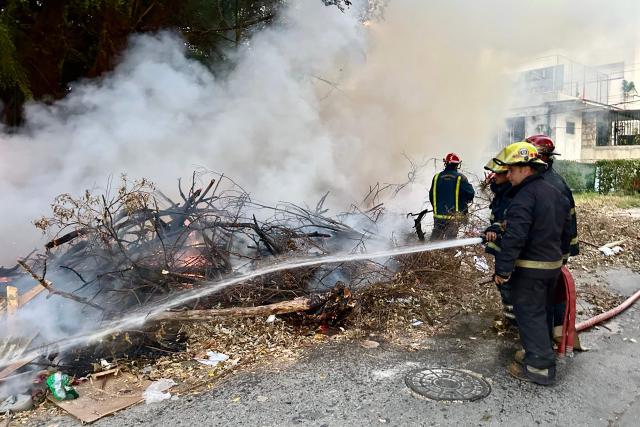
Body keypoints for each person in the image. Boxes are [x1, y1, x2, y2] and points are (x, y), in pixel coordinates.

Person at [492, 142, 571, 385]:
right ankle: (537, 351)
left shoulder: (524, 196)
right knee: (542, 312)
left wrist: (503, 270)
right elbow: (565, 230)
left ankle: (540, 368)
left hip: (531, 269)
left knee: (530, 314)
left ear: (527, 169)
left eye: (512, 170)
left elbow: (517, 237)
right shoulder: (553, 192)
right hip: (551, 267)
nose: (509, 175)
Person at [525, 134, 579, 342]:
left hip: (546, 253)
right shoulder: (546, 180)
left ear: (541, 157)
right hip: (551, 251)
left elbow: (567, 221)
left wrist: (565, 253)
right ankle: (555, 334)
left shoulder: (550, 184)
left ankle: (544, 345)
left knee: (543, 300)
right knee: (550, 295)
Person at [483, 152, 514, 321]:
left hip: (509, 246)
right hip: (503, 245)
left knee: (505, 281)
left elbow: (507, 218)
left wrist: (495, 228)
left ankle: (513, 320)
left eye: (498, 173)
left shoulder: (512, 193)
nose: (494, 176)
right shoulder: (502, 191)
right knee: (503, 281)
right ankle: (511, 317)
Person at [428, 153, 475, 241]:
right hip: (454, 217)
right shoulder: (461, 178)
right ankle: (448, 254)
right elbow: (470, 194)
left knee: (435, 242)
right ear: (457, 164)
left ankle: (431, 254)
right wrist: (463, 202)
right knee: (450, 243)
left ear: (445, 163)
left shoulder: (437, 177)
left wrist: (438, 208)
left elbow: (431, 196)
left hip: (438, 216)